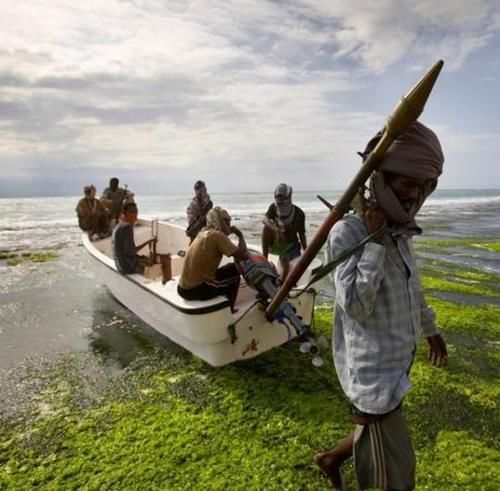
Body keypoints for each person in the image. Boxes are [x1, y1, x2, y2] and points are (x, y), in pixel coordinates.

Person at [315, 121, 448, 490]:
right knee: (395, 477)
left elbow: (413, 288)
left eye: (424, 186)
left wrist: (430, 328)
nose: (415, 195)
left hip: (396, 367)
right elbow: (356, 306)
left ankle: (329, 459)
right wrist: (373, 242)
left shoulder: (400, 231)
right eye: (407, 183)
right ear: (382, 178)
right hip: (372, 376)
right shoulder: (350, 234)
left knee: (378, 442)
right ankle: (332, 459)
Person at [178, 207, 247, 312]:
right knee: (235, 273)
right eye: (227, 221)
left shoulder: (202, 233)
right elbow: (242, 256)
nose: (229, 224)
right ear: (219, 221)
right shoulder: (217, 235)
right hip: (196, 289)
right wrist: (240, 235)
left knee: (230, 267)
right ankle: (229, 310)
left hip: (182, 288)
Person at [113, 202, 170, 283]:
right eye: (131, 212)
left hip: (121, 265)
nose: (134, 215)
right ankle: (167, 283)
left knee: (149, 257)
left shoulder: (119, 225)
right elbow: (130, 252)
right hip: (128, 267)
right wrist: (148, 242)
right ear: (124, 213)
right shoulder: (127, 227)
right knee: (165, 259)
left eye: (136, 212)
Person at [262, 183, 307, 281]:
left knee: (287, 264)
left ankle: (282, 283)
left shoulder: (299, 213)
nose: (280, 200)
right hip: (277, 244)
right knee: (266, 227)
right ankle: (264, 262)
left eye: (282, 197)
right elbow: (265, 219)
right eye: (278, 197)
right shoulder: (273, 207)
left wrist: (306, 251)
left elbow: (302, 234)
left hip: (291, 247)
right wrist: (277, 230)